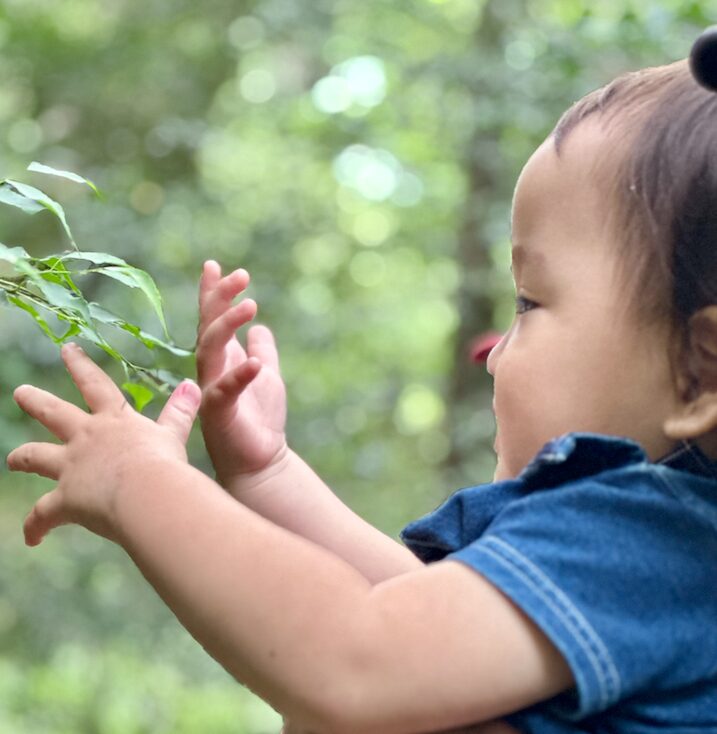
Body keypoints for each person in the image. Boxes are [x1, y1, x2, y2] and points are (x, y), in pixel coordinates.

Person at [8, 53, 717, 733]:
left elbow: (356, 659)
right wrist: (267, 474)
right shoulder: (644, 553)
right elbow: (404, 607)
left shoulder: (651, 538)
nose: (494, 354)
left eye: (529, 302)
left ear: (700, 371)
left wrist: (138, 483)